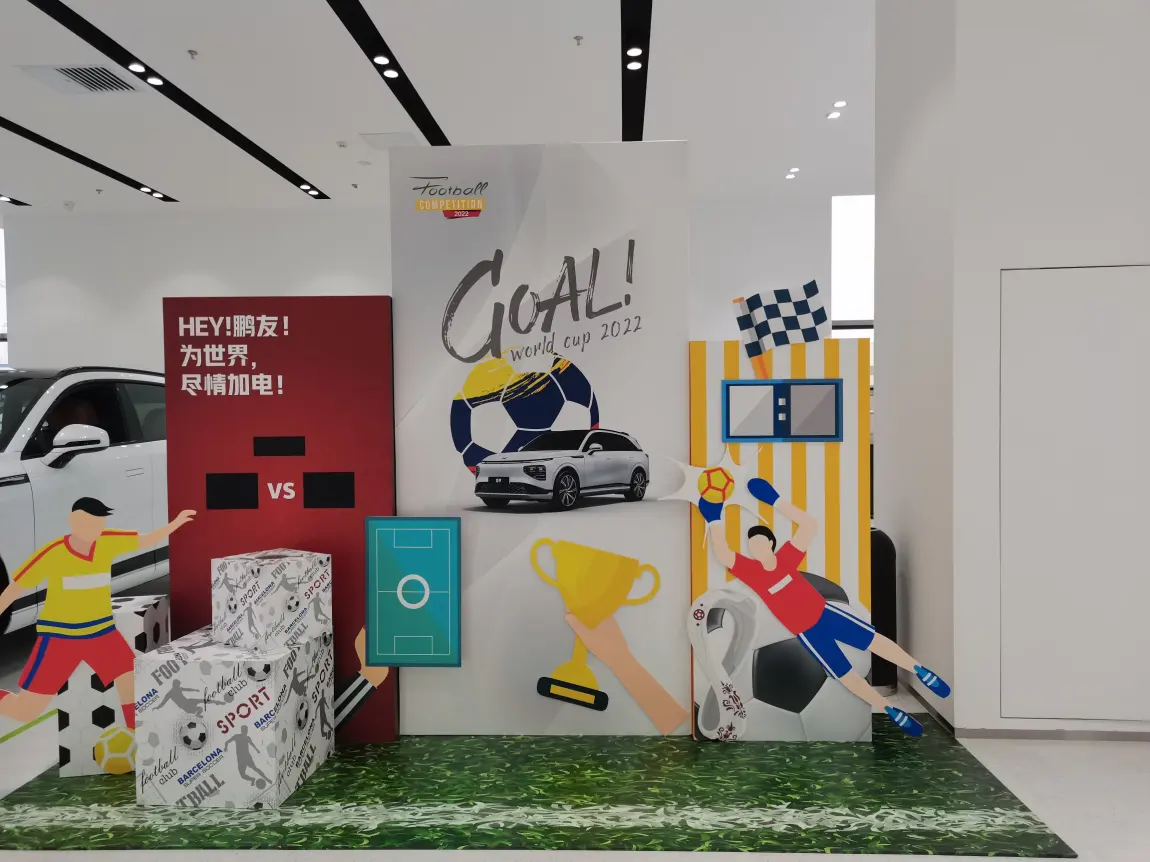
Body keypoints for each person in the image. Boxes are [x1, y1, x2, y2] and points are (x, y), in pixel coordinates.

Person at [698, 478, 950, 737]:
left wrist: (773, 499)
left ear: (772, 544)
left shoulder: (787, 558)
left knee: (873, 641)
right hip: (809, 633)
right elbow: (724, 553)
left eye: (761, 542)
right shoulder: (752, 572)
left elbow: (809, 525)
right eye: (752, 545)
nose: (756, 548)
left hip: (827, 615)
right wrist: (714, 518)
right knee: (844, 674)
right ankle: (891, 711)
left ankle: (920, 671)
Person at [0, 498, 196, 730]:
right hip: (60, 638)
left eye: (99, 522)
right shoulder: (52, 553)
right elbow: (14, 589)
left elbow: (146, 540)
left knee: (131, 681)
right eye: (90, 522)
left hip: (102, 633)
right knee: (25, 711)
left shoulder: (108, 541)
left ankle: (139, 738)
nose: (96, 528)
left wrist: (175, 523)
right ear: (73, 521)